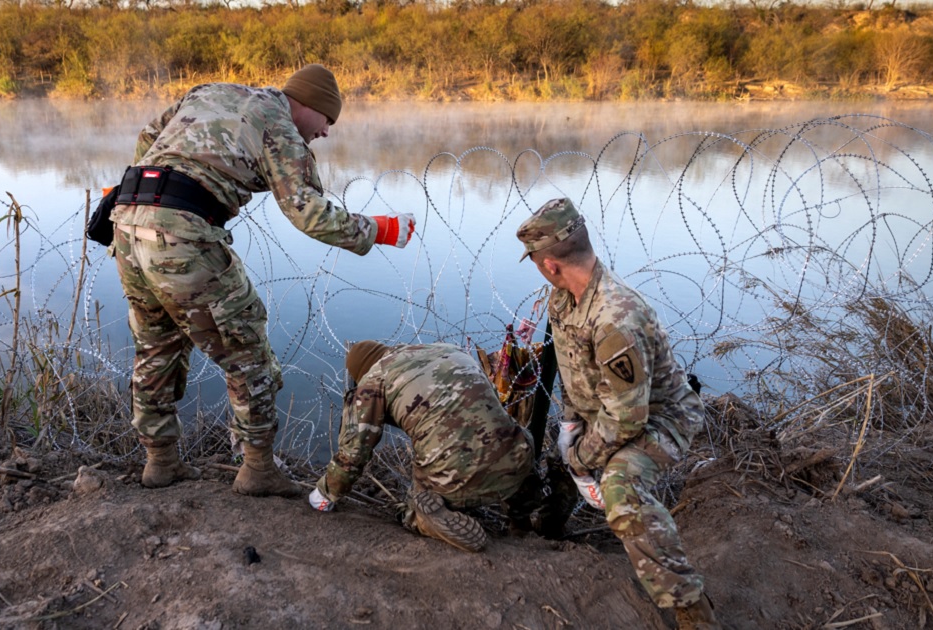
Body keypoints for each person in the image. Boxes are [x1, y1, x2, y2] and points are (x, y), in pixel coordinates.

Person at [111, 65, 416, 494]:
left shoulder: (212, 91)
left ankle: (160, 462)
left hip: (126, 224)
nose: (326, 133)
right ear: (308, 105)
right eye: (328, 120)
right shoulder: (278, 124)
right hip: (182, 234)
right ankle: (257, 470)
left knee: (155, 347)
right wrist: (381, 230)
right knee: (247, 352)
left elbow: (149, 136)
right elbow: (308, 212)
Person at [516, 198, 721, 629]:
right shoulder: (565, 299)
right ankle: (552, 528)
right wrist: (570, 427)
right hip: (611, 408)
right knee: (567, 454)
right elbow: (576, 374)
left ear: (551, 265)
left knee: (620, 488)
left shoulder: (615, 319)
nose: (537, 270)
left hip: (662, 417)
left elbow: (628, 419)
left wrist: (582, 456)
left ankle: (692, 608)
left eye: (535, 261)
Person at [308, 341, 556, 552]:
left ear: (359, 371)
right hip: (518, 458)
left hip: (458, 473)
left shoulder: (374, 379)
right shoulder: (446, 350)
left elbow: (354, 453)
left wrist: (326, 492)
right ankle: (522, 525)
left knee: (414, 508)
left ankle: (426, 518)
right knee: (507, 444)